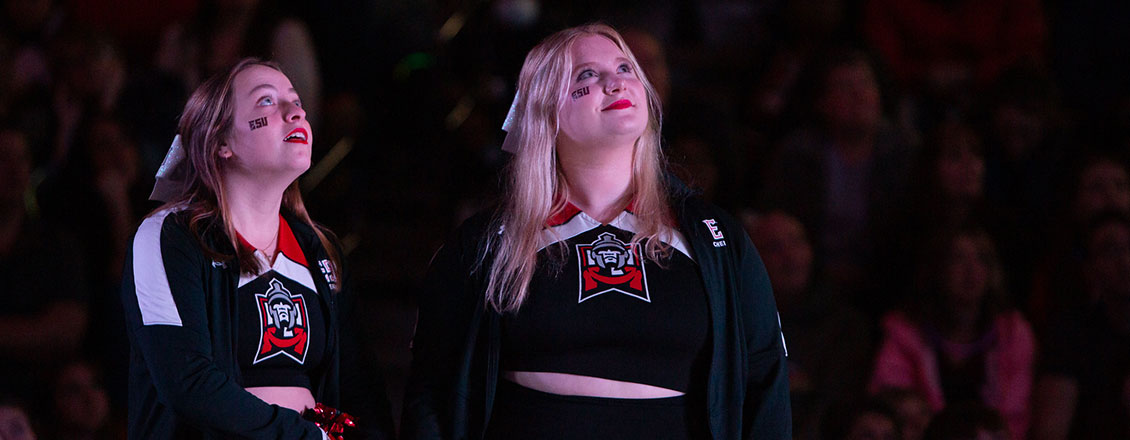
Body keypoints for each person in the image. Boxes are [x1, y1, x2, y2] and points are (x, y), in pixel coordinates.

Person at [402, 24, 790, 440]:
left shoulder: (716, 238)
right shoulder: (485, 244)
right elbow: (431, 394)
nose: (616, 80)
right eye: (586, 74)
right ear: (544, 107)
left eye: (625, 67)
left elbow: (765, 376)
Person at [120, 58, 349, 439]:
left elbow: (358, 381)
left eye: (295, 101)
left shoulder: (320, 248)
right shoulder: (168, 235)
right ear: (221, 142)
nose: (296, 112)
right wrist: (302, 436)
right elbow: (187, 380)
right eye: (266, 102)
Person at [869, 227, 1034, 439]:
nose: (971, 269)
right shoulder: (905, 333)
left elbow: (1014, 419)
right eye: (958, 259)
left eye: (981, 259)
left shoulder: (1013, 334)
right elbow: (891, 407)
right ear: (936, 269)